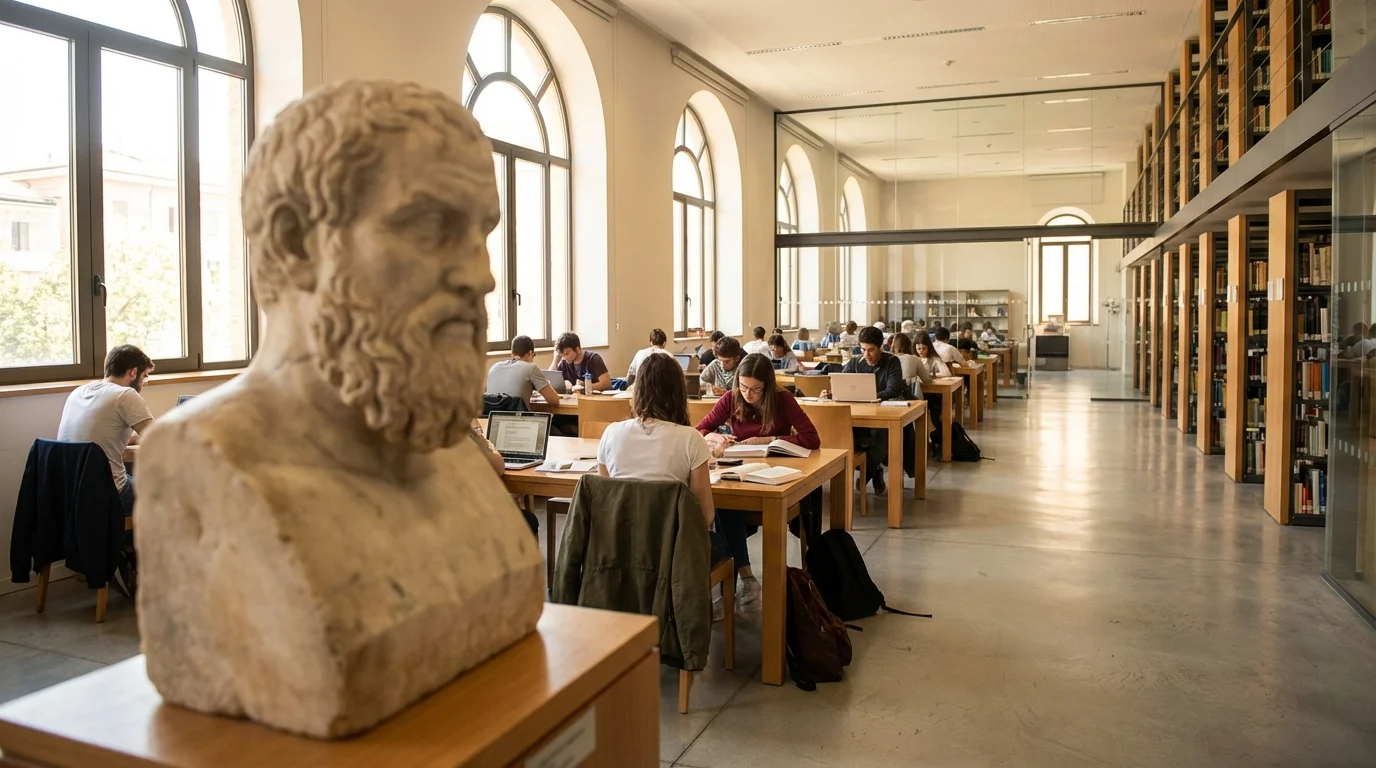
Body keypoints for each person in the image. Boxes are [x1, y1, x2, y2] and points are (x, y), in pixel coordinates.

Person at [696, 354, 821, 616]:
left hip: (777, 476)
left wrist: (769, 439)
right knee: (723, 503)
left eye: (755, 389)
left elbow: (812, 438)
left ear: (767, 385)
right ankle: (745, 577)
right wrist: (715, 436)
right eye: (742, 387)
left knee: (725, 509)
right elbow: (699, 430)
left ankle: (738, 583)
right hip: (742, 472)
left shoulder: (782, 399)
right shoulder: (732, 398)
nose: (748, 394)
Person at [56, 345, 155, 516]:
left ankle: (123, 540)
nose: (143, 382)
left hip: (69, 492)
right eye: (144, 376)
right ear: (133, 372)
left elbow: (104, 436)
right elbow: (158, 439)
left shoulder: (78, 392)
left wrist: (136, 438)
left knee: (132, 474)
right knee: (168, 493)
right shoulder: (126, 395)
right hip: (108, 494)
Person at [832, 326, 906, 495]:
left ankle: (866, 475)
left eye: (871, 350)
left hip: (882, 416)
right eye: (863, 349)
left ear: (881, 347)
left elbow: (893, 389)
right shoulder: (854, 363)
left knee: (880, 434)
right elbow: (841, 385)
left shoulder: (891, 362)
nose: (866, 355)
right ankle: (875, 470)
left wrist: (868, 396)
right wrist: (830, 393)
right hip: (855, 416)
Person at [487, 335, 562, 405]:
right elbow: (554, 400)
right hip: (518, 417)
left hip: (491, 417)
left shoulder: (494, 367)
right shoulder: (531, 368)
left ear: (512, 354)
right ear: (530, 353)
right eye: (533, 355)